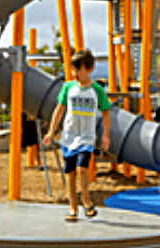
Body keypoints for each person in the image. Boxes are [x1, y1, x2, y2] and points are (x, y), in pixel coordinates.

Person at [43, 49, 111, 221]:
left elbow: (106, 113)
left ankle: (86, 201)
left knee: (82, 168)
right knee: (70, 173)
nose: (75, 74)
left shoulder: (97, 90)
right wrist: (51, 131)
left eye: (78, 69)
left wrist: (105, 136)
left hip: (87, 138)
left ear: (89, 68)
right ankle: (73, 207)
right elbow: (59, 110)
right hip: (69, 137)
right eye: (73, 70)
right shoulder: (68, 88)